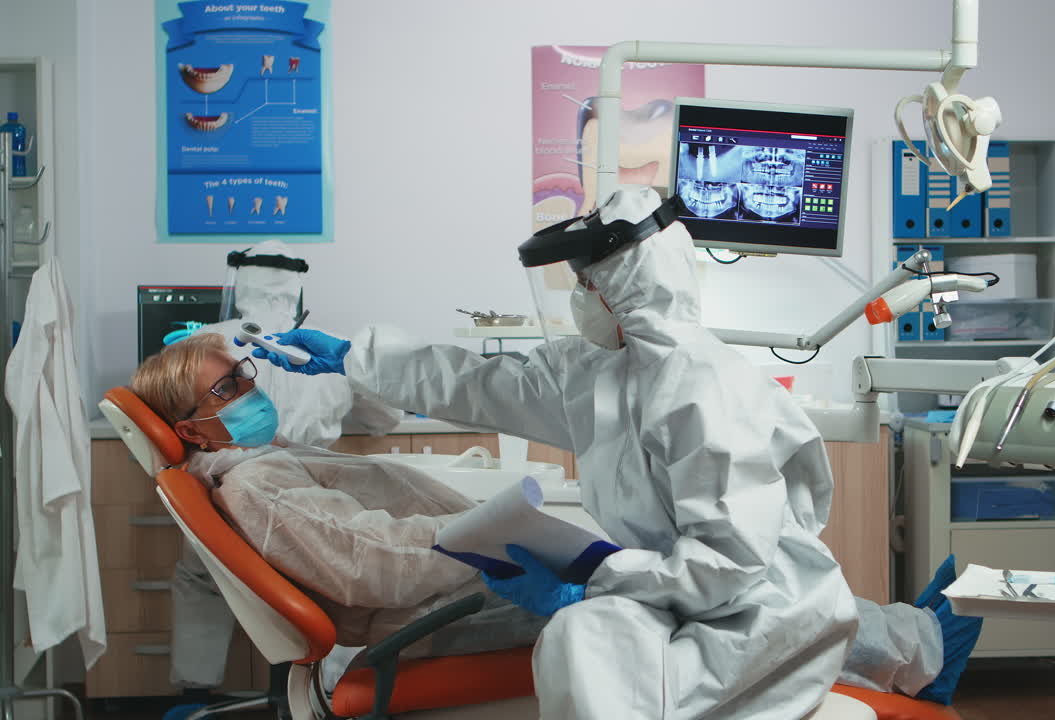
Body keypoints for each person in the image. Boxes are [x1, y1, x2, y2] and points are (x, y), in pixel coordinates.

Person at [251, 186, 981, 717]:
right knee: (582, 623)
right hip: (684, 581)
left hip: (743, 603)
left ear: (623, 286)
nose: (577, 297)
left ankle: (928, 647)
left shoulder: (698, 388)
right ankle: (924, 643)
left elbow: (727, 566)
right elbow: (480, 382)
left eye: (585, 283)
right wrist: (355, 355)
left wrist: (597, 582)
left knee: (587, 632)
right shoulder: (602, 369)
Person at [132, 332, 547, 665]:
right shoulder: (257, 485)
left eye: (243, 373)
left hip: (454, 594)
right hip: (439, 615)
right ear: (191, 432)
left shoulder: (268, 461)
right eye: (226, 388)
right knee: (600, 607)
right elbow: (384, 564)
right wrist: (496, 529)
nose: (249, 387)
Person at [166, 240, 404, 690]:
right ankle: (328, 693)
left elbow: (159, 407)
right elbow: (385, 419)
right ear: (296, 285)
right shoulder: (323, 350)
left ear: (240, 281)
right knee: (338, 583)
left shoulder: (203, 344)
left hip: (222, 505)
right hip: (302, 506)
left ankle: (195, 690)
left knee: (201, 576)